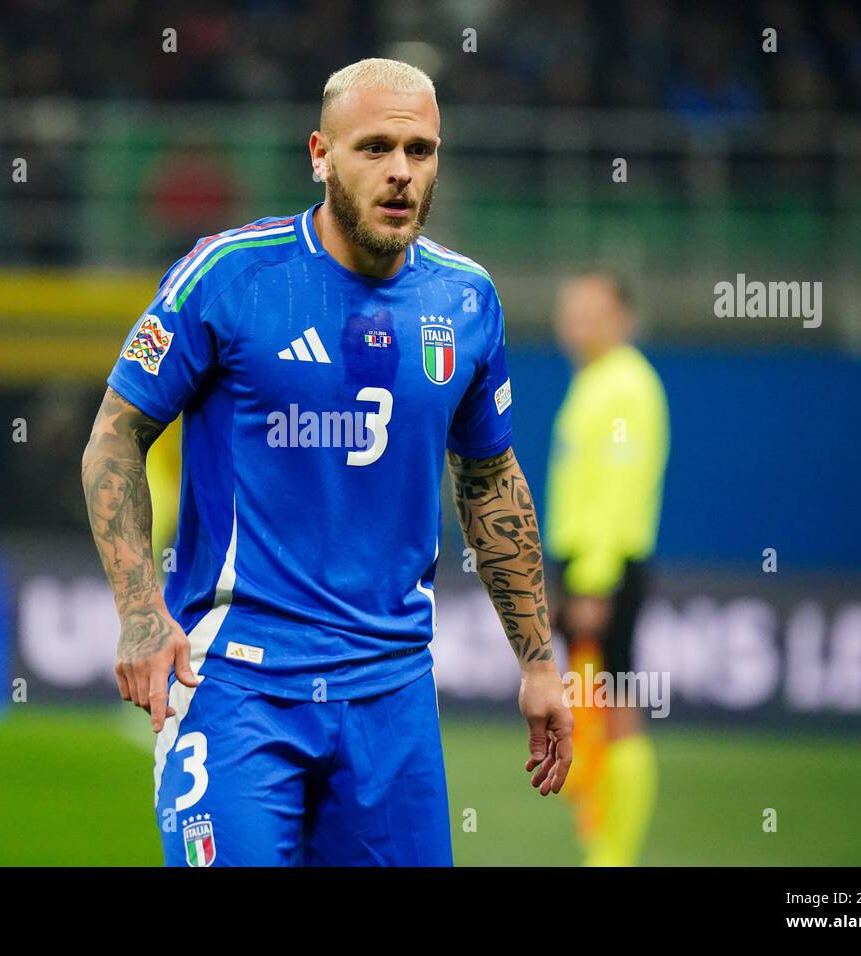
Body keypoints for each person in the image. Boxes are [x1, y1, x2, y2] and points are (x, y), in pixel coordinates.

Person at [82, 58, 571, 867]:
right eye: (375, 147)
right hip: (235, 685)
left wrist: (538, 662)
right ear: (320, 154)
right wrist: (139, 611)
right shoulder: (229, 275)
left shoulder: (466, 300)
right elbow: (114, 436)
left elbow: (489, 480)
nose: (401, 173)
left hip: (393, 692)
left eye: (421, 150)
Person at [545, 271, 670, 866]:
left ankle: (613, 855)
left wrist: (592, 581)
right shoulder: (597, 382)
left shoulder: (626, 385)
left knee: (615, 710)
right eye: (571, 311)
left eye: (591, 312)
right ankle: (602, 843)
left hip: (607, 569)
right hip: (586, 566)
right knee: (595, 709)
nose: (576, 324)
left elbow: (619, 491)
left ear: (623, 318)